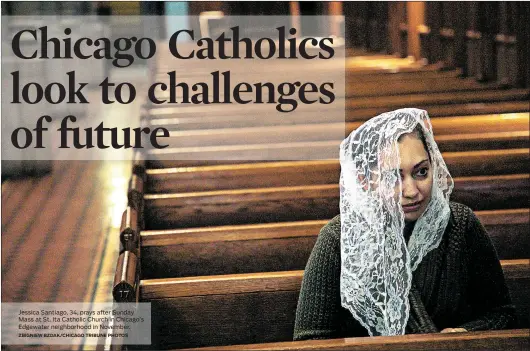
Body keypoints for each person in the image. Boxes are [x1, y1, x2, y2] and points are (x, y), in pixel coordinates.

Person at [293, 108, 516, 340]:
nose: (411, 191)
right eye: (393, 177)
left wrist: (461, 335)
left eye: (421, 172)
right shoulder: (338, 238)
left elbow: (503, 314)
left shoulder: (460, 225)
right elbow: (309, 340)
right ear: (366, 181)